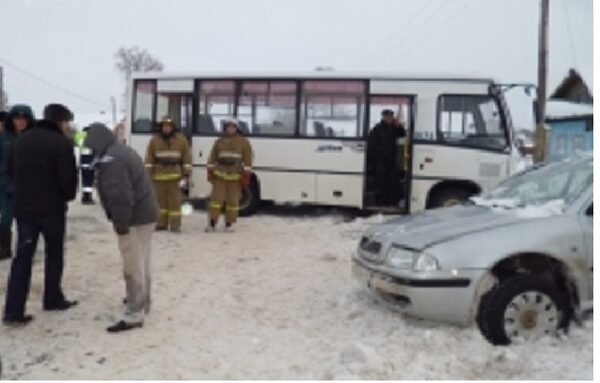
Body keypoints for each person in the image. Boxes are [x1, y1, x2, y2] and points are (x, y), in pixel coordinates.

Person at [2, 104, 78, 325]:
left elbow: (9, 172)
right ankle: (52, 297)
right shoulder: (61, 143)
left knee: (22, 258)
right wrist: (66, 196)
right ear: (60, 122)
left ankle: (13, 311)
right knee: (54, 255)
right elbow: (68, 181)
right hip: (51, 211)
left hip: (24, 210)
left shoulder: (20, 141)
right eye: (65, 122)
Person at [84, 122, 158, 333]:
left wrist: (121, 224)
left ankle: (134, 313)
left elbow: (120, 197)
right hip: (146, 215)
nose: (89, 148)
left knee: (132, 267)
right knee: (142, 261)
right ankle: (144, 302)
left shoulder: (112, 160)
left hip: (134, 219)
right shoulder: (121, 151)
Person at [0, 105, 35, 261]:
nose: (20, 122)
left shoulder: (33, 138)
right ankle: (4, 248)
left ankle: (24, 249)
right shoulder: (4, 138)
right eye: (17, 119)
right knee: (5, 218)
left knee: (26, 222)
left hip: (27, 187)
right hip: (5, 185)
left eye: (24, 119)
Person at [144, 117, 191, 233]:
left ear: (173, 128)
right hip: (159, 177)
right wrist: (148, 176)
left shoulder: (181, 140)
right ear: (161, 127)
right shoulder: (154, 141)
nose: (167, 128)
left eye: (169, 126)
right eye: (164, 126)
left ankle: (175, 225)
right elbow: (149, 159)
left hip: (175, 177)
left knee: (175, 202)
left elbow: (187, 158)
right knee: (160, 202)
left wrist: (186, 175)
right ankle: (161, 224)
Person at [206, 119, 253, 233]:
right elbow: (212, 157)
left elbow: (248, 159)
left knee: (233, 202)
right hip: (219, 176)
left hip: (235, 177)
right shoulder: (219, 141)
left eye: (233, 127)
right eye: (228, 127)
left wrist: (246, 175)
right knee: (216, 201)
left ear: (236, 129)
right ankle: (212, 223)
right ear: (225, 128)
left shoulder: (243, 142)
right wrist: (210, 171)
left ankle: (229, 224)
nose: (230, 129)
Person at [367, 109, 406, 206]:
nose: (390, 119)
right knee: (381, 184)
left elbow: (403, 134)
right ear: (384, 117)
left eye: (391, 117)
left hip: (391, 161)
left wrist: (399, 125)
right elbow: (372, 146)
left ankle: (391, 202)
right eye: (388, 117)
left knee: (392, 184)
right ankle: (381, 203)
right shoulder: (377, 129)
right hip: (380, 162)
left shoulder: (394, 128)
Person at [74, 126, 96, 204]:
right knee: (89, 182)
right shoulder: (90, 137)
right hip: (90, 161)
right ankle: (88, 198)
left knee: (85, 181)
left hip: (83, 161)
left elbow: (78, 145)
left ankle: (84, 197)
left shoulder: (79, 136)